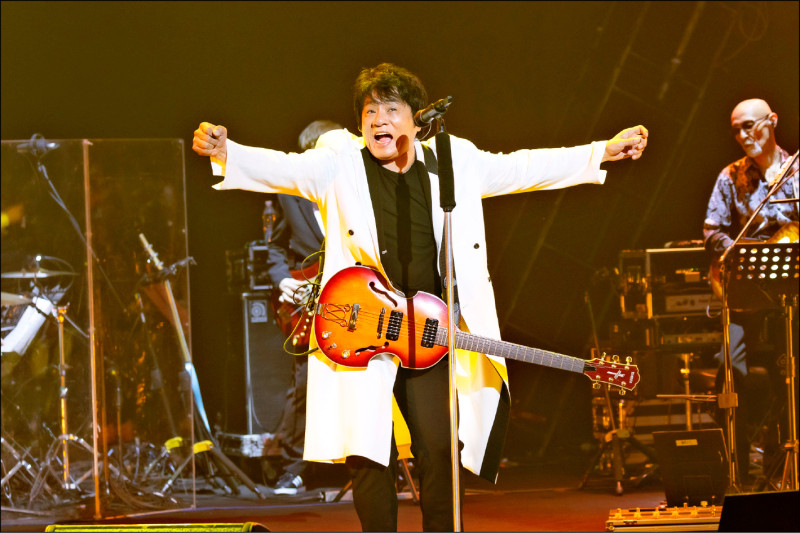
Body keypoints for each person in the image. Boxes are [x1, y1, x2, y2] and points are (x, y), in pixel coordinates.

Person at [193, 62, 648, 531]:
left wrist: (601, 151)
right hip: (363, 331)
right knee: (369, 454)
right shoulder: (338, 162)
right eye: (370, 111)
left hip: (429, 334)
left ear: (417, 119)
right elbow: (283, 168)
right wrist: (227, 150)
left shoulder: (452, 162)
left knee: (440, 450)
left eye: (392, 110)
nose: (379, 120)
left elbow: (522, 167)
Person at [702, 97, 799, 482]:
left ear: (772, 121)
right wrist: (737, 254)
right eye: (736, 130)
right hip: (744, 294)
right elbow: (712, 230)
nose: (743, 136)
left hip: (791, 296)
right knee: (731, 375)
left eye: (750, 126)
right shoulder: (730, 176)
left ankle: (783, 464)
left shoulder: (796, 172)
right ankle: (738, 472)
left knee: (789, 378)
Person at [266, 119, 340, 496]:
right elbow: (276, 246)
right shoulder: (290, 196)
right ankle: (292, 468)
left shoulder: (356, 191)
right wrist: (283, 280)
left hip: (355, 299)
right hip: (310, 302)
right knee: (305, 383)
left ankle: (384, 464)